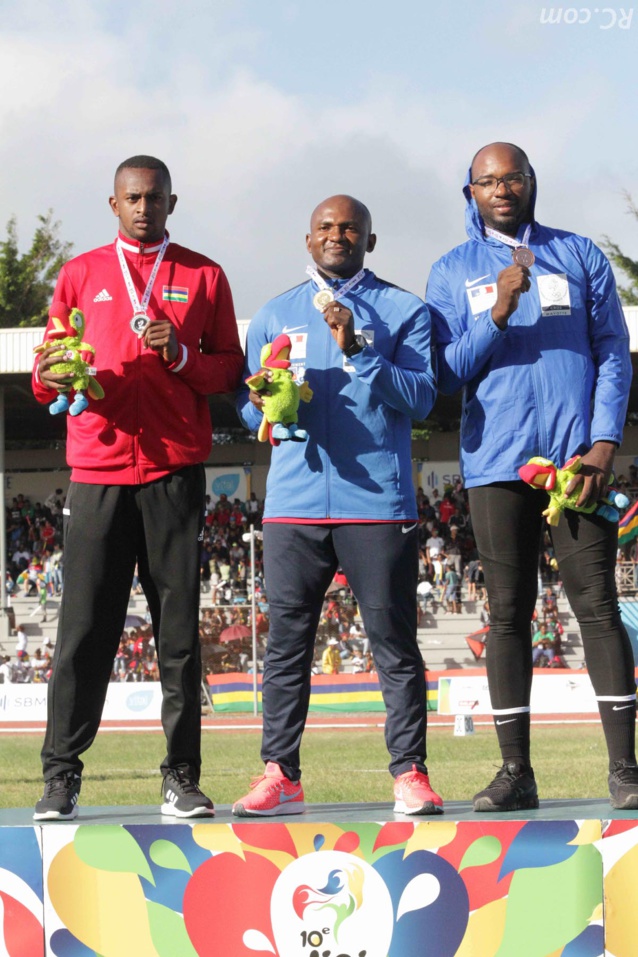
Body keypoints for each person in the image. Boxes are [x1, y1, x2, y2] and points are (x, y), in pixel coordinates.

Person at [427, 141, 638, 811]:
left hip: (577, 463)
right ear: (470, 193)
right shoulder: (451, 271)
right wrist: (496, 310)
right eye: (487, 181)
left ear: (530, 181)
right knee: (508, 614)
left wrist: (603, 446)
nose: (502, 189)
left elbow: (612, 351)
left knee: (598, 608)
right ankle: (516, 772)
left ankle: (625, 770)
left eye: (512, 177)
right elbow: (448, 369)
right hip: (496, 463)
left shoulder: (577, 255)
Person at [31, 154, 244, 820]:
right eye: (132, 197)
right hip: (97, 470)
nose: (144, 207)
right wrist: (58, 376)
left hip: (173, 472)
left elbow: (228, 371)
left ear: (172, 204)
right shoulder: (81, 273)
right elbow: (45, 372)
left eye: (155, 197)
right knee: (83, 629)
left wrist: (180, 355)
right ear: (113, 203)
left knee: (177, 632)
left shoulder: (204, 274)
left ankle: (181, 774)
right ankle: (61, 774)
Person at [233, 194, 442, 817]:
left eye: (350, 228)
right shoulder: (274, 314)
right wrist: (267, 411)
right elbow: (249, 407)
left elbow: (423, 398)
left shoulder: (405, 310)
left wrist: (358, 350)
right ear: (308, 239)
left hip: (377, 503)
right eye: (325, 226)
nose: (337, 235)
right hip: (294, 506)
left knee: (393, 644)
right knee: (286, 648)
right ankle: (280, 774)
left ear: (369, 241)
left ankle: (409, 773)